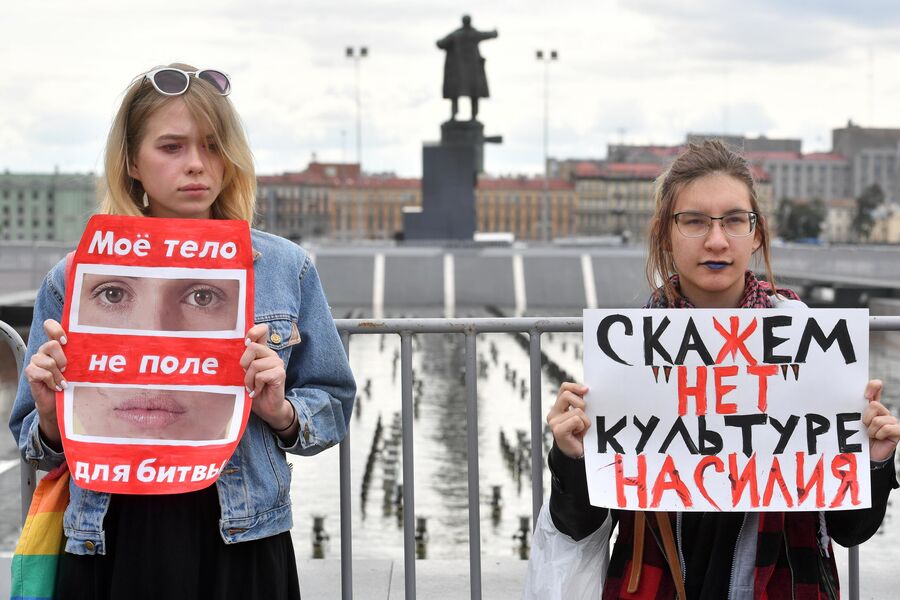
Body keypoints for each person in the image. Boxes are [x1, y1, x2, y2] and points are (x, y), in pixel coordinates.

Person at [9, 64, 356, 599]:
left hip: (239, 533)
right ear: (131, 162)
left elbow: (332, 404)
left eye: (214, 146)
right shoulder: (77, 276)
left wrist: (280, 412)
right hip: (111, 532)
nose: (197, 165)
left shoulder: (284, 268)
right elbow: (35, 443)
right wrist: (54, 418)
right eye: (172, 147)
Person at [546, 140, 900, 599]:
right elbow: (577, 525)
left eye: (734, 220)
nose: (716, 241)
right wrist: (571, 457)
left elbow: (851, 530)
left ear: (756, 233)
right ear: (664, 235)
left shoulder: (813, 349)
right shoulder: (625, 357)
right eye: (694, 221)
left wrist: (873, 460)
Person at [436, 15, 498, 121]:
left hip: (459, 72)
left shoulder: (456, 34)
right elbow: (489, 34)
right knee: (472, 93)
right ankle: (473, 116)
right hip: (470, 72)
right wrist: (494, 32)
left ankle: (455, 115)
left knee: (459, 94)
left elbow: (440, 43)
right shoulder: (472, 34)